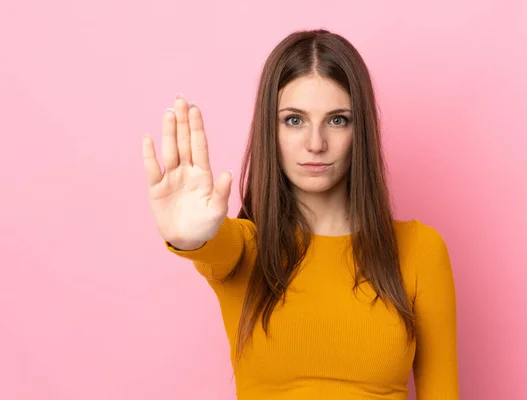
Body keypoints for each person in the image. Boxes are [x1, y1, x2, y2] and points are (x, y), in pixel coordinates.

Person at [142, 29, 459, 399]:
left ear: (362, 130)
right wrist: (188, 237)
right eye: (294, 120)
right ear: (269, 129)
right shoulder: (244, 249)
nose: (315, 143)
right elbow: (211, 245)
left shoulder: (419, 249)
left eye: (338, 120)